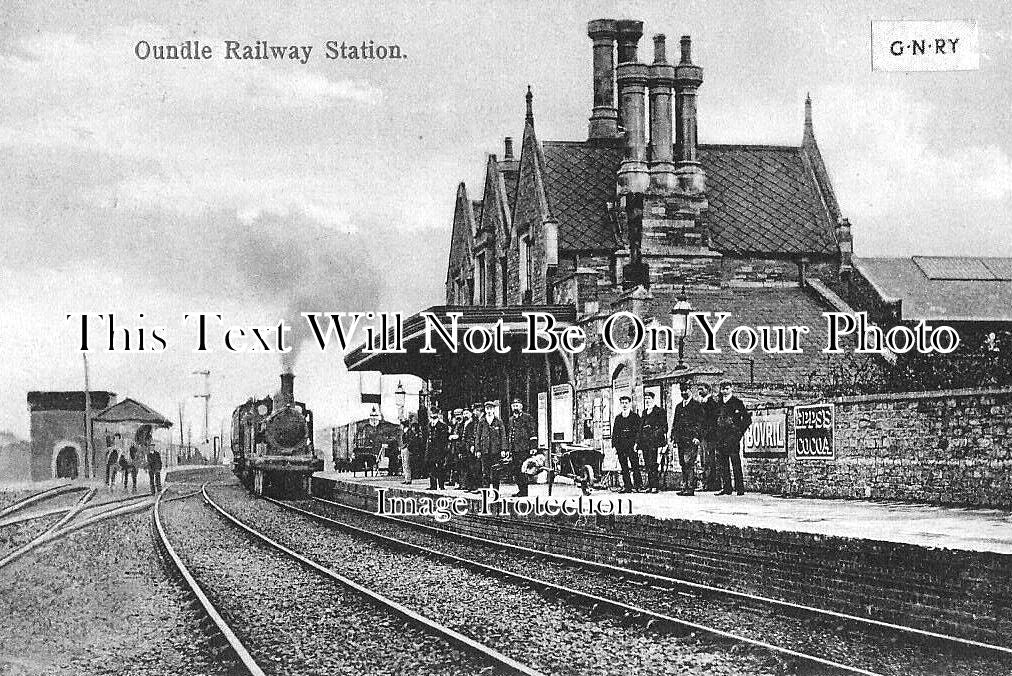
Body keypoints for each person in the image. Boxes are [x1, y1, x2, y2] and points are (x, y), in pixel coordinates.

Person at [713, 380, 751, 496]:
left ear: (731, 389)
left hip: (732, 438)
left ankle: (740, 488)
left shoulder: (737, 402)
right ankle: (727, 488)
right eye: (723, 389)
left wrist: (738, 433)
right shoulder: (719, 403)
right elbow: (714, 420)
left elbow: (747, 420)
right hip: (721, 437)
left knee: (735, 462)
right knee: (723, 463)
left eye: (727, 388)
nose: (725, 391)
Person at [671, 383, 706, 496]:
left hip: (691, 439)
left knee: (689, 463)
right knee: (683, 463)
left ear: (690, 390)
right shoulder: (679, 406)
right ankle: (685, 486)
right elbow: (675, 423)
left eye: (685, 390)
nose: (683, 393)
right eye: (682, 391)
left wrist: (698, 437)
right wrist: (673, 437)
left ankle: (690, 488)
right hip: (681, 440)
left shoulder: (696, 405)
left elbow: (701, 423)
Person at [636, 390, 667, 493]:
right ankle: (650, 485)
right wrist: (638, 443)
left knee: (654, 464)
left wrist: (653, 433)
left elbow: (664, 427)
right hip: (645, 443)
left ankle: (655, 486)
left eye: (649, 399)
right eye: (645, 399)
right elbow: (640, 428)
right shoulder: (644, 412)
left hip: (655, 443)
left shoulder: (660, 411)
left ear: (653, 399)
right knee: (647, 464)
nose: (647, 401)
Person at [506, 398, 537, 497]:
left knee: (523, 470)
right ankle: (520, 490)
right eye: (514, 406)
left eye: (517, 406)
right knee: (516, 470)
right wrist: (509, 449)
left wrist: (533, 447)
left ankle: (524, 491)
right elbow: (510, 435)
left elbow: (532, 433)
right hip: (514, 449)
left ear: (521, 407)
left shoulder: (527, 417)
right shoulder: (511, 420)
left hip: (524, 448)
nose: (515, 408)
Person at [611, 395, 642, 493]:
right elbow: (615, 433)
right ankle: (627, 486)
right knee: (624, 467)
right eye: (622, 403)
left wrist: (637, 444)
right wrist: (614, 446)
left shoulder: (635, 417)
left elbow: (638, 432)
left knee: (635, 465)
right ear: (620, 404)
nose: (624, 405)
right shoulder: (618, 418)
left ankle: (638, 485)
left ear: (629, 404)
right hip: (621, 446)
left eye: (626, 403)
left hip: (631, 446)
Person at [474, 400, 506, 491]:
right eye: (487, 409)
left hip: (495, 450)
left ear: (494, 410)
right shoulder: (482, 422)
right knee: (485, 472)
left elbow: (503, 436)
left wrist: (504, 449)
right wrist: (478, 450)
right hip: (485, 450)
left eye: (491, 409)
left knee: (496, 471)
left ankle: (496, 491)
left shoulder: (498, 421)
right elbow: (477, 436)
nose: (489, 411)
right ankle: (486, 492)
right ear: (485, 410)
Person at [697, 383, 720, 491]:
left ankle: (711, 484)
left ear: (708, 390)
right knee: (704, 460)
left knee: (709, 460)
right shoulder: (702, 402)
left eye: (701, 389)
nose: (699, 391)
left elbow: (712, 421)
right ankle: (706, 483)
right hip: (703, 436)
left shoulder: (712, 403)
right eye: (699, 389)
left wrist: (706, 433)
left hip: (709, 436)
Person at [425, 410, 450, 490]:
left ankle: (441, 486)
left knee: (440, 468)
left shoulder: (442, 426)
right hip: (431, 451)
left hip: (439, 450)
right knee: (431, 468)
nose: (432, 419)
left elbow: (444, 440)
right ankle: (433, 485)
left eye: (434, 416)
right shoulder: (429, 425)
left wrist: (443, 451)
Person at [400, 420, 414, 484]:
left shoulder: (409, 432)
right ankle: (406, 478)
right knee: (404, 464)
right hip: (403, 448)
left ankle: (408, 479)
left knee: (407, 464)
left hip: (406, 449)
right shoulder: (405, 432)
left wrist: (407, 447)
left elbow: (410, 440)